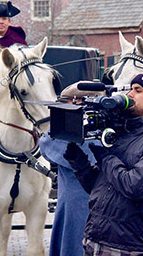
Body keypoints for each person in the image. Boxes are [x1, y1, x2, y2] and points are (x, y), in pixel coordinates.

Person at [64, 73, 143, 255]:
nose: (130, 95)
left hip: (128, 248)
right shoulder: (123, 134)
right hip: (94, 241)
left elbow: (134, 186)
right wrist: (79, 162)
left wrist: (106, 157)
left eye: (137, 90)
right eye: (130, 89)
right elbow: (98, 188)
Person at [39, 82, 103, 256]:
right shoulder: (64, 129)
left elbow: (45, 145)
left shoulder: (69, 130)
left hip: (84, 206)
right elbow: (45, 144)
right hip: (80, 207)